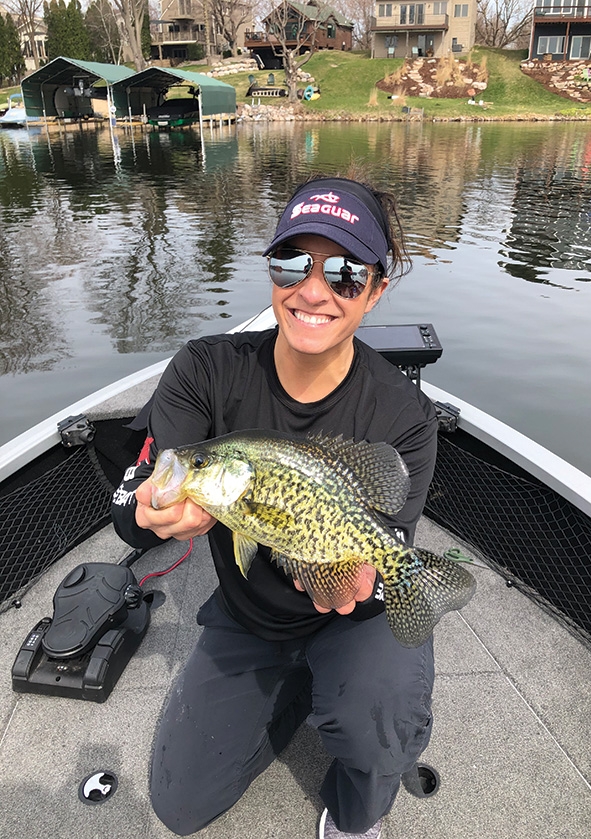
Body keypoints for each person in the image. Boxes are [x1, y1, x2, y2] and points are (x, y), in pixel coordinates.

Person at [111, 176, 439, 839]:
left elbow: (383, 535)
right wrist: (149, 510)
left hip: (356, 615)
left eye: (345, 273)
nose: (313, 289)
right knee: (179, 803)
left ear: (375, 290)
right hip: (250, 618)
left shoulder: (404, 414)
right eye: (293, 262)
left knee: (380, 716)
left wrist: (366, 571)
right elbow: (142, 497)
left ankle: (353, 810)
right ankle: (294, 690)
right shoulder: (206, 370)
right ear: (271, 270)